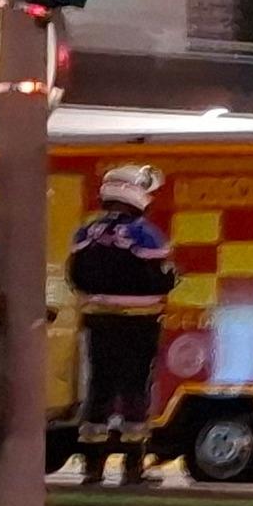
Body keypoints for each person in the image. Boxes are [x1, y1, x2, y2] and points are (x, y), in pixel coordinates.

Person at [67, 165, 179, 486]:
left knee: (99, 388)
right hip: (139, 324)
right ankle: (133, 469)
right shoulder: (145, 234)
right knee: (134, 390)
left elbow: (75, 276)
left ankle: (93, 468)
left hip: (98, 321)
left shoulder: (86, 233)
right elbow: (162, 277)